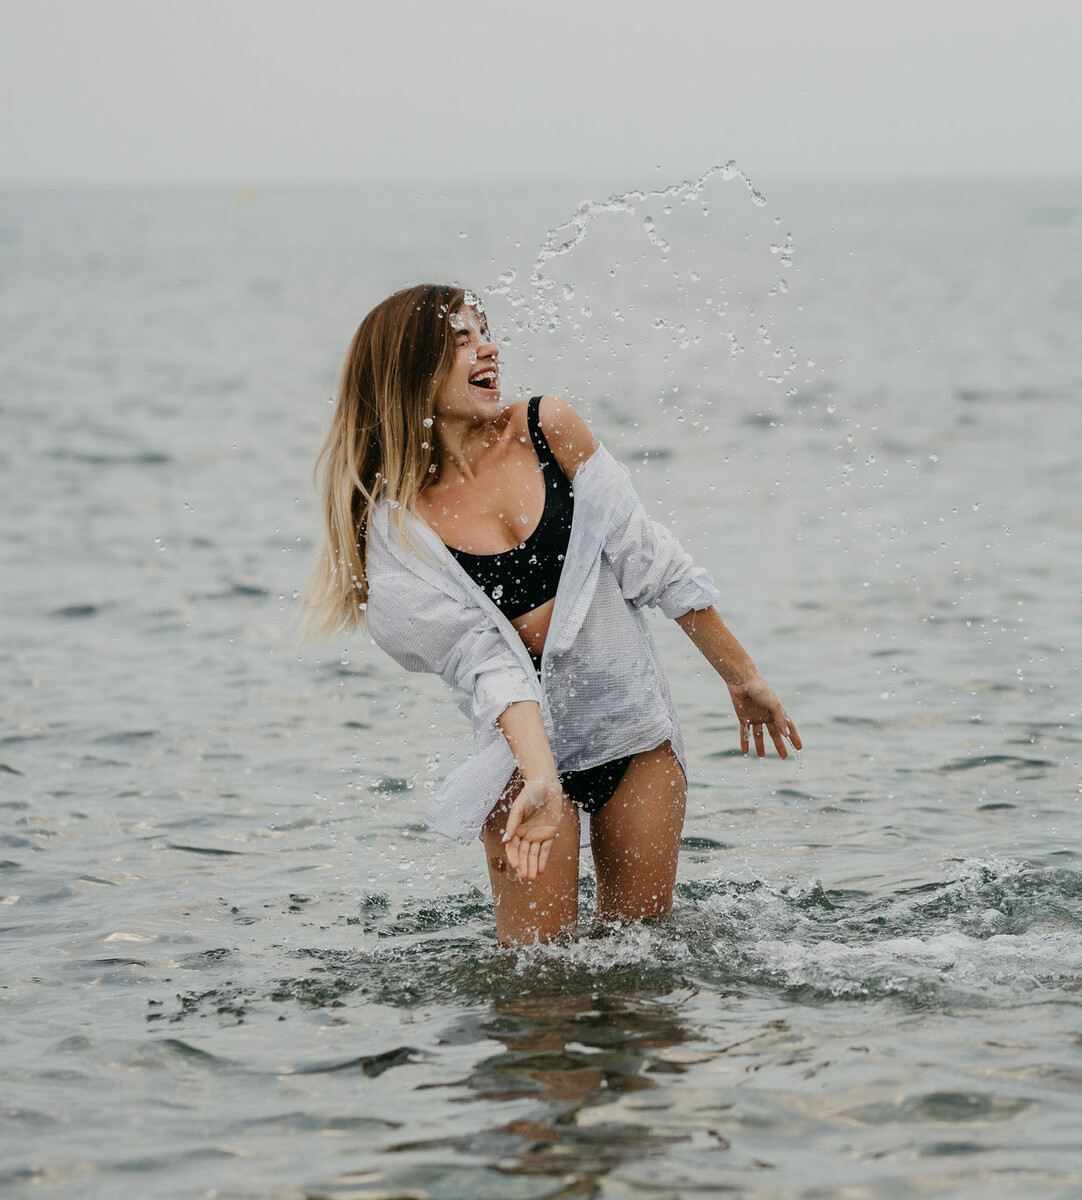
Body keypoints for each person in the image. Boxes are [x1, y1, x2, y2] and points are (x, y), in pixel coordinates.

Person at [305, 284, 800, 946]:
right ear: (411, 373)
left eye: (485, 331)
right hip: (518, 766)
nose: (489, 347)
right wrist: (542, 775)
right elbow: (486, 665)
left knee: (643, 966)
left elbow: (648, 557)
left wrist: (741, 675)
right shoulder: (402, 532)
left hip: (634, 738)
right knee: (538, 997)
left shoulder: (547, 428)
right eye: (461, 340)